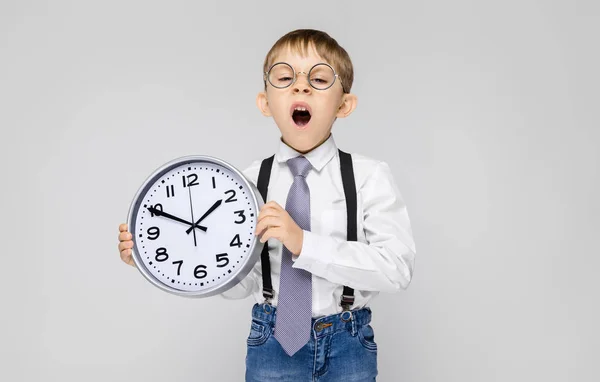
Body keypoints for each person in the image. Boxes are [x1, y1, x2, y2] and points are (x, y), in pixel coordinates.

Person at [118, 28, 416, 381]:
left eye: (319, 78)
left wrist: (302, 242)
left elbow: (396, 269)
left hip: (347, 343)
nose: (301, 86)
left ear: (344, 105)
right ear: (265, 102)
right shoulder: (242, 184)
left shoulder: (368, 176)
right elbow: (241, 281)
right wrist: (153, 254)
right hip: (271, 343)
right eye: (285, 77)